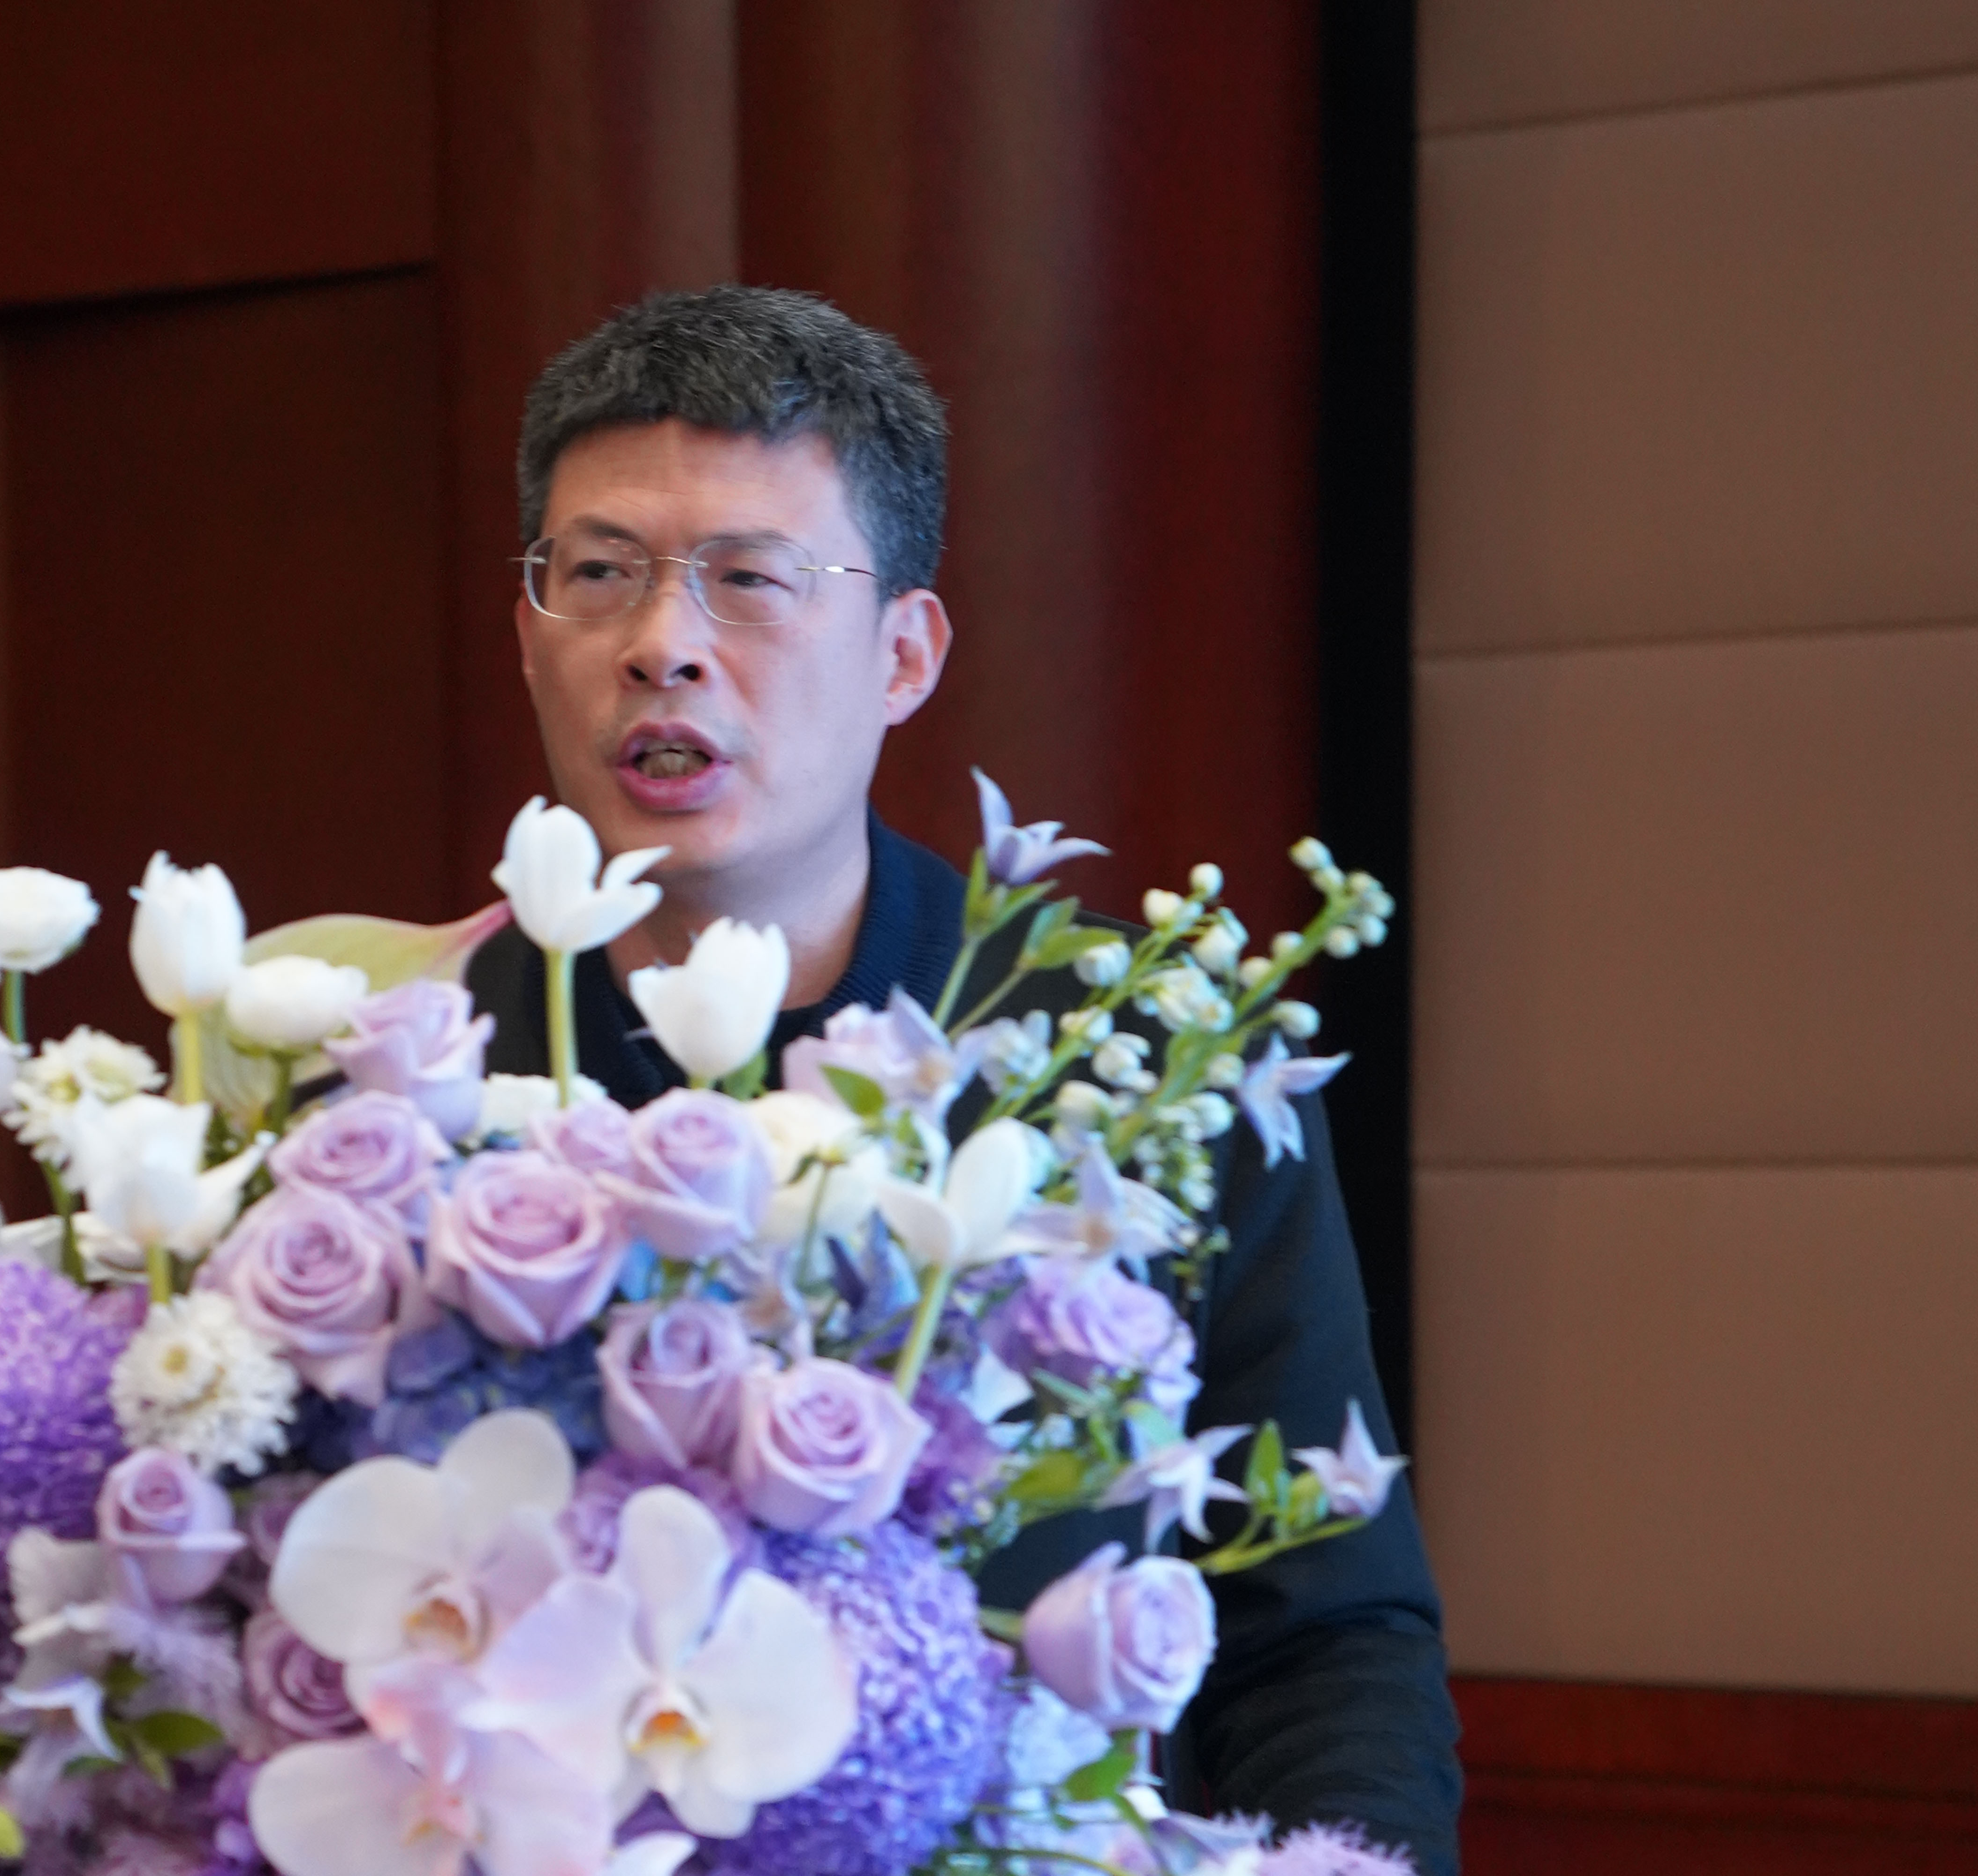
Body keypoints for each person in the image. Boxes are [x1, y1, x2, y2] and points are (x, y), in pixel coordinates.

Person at [462, 285, 1463, 1872]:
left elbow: (1324, 1634)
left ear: (905, 655)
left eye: (750, 581)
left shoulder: (1146, 1058)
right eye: (600, 575)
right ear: (532, 638)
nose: (663, 647)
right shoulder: (410, 1067)